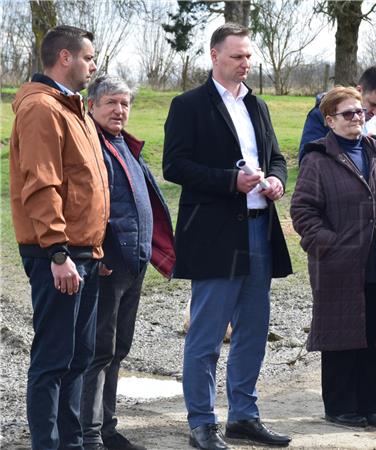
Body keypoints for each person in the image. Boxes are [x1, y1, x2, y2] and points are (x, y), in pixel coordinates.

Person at [162, 23, 293, 450]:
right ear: (214, 56)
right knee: (206, 336)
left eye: (249, 56)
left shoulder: (258, 105)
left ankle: (243, 417)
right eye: (237, 56)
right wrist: (229, 181)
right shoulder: (189, 105)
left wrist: (275, 180)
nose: (246, 63)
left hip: (260, 230)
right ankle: (202, 422)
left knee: (253, 332)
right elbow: (174, 166)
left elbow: (276, 157)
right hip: (215, 234)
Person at [9, 25, 108, 450]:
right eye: (89, 57)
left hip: (84, 252)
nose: (94, 64)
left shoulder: (73, 107)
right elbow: (41, 184)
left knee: (78, 358)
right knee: (53, 359)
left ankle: (73, 443)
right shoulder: (42, 109)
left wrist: (93, 246)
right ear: (64, 58)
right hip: (59, 255)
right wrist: (58, 251)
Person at [290, 86, 376, 428]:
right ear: (329, 120)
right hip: (339, 262)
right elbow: (303, 211)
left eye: (360, 112)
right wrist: (329, 244)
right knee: (344, 334)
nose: (357, 118)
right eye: (348, 113)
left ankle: (369, 404)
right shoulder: (317, 159)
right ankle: (340, 406)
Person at [79, 75, 176, 450]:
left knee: (118, 349)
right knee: (98, 350)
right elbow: (88, 206)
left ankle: (106, 427)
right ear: (92, 106)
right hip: (105, 266)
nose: (120, 110)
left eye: (125, 103)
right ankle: (88, 433)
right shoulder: (92, 146)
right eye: (111, 103)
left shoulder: (124, 145)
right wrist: (94, 252)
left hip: (132, 267)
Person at [298, 65, 376, 164]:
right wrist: (363, 146)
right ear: (359, 90)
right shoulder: (323, 116)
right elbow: (306, 160)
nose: (375, 112)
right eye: (373, 104)